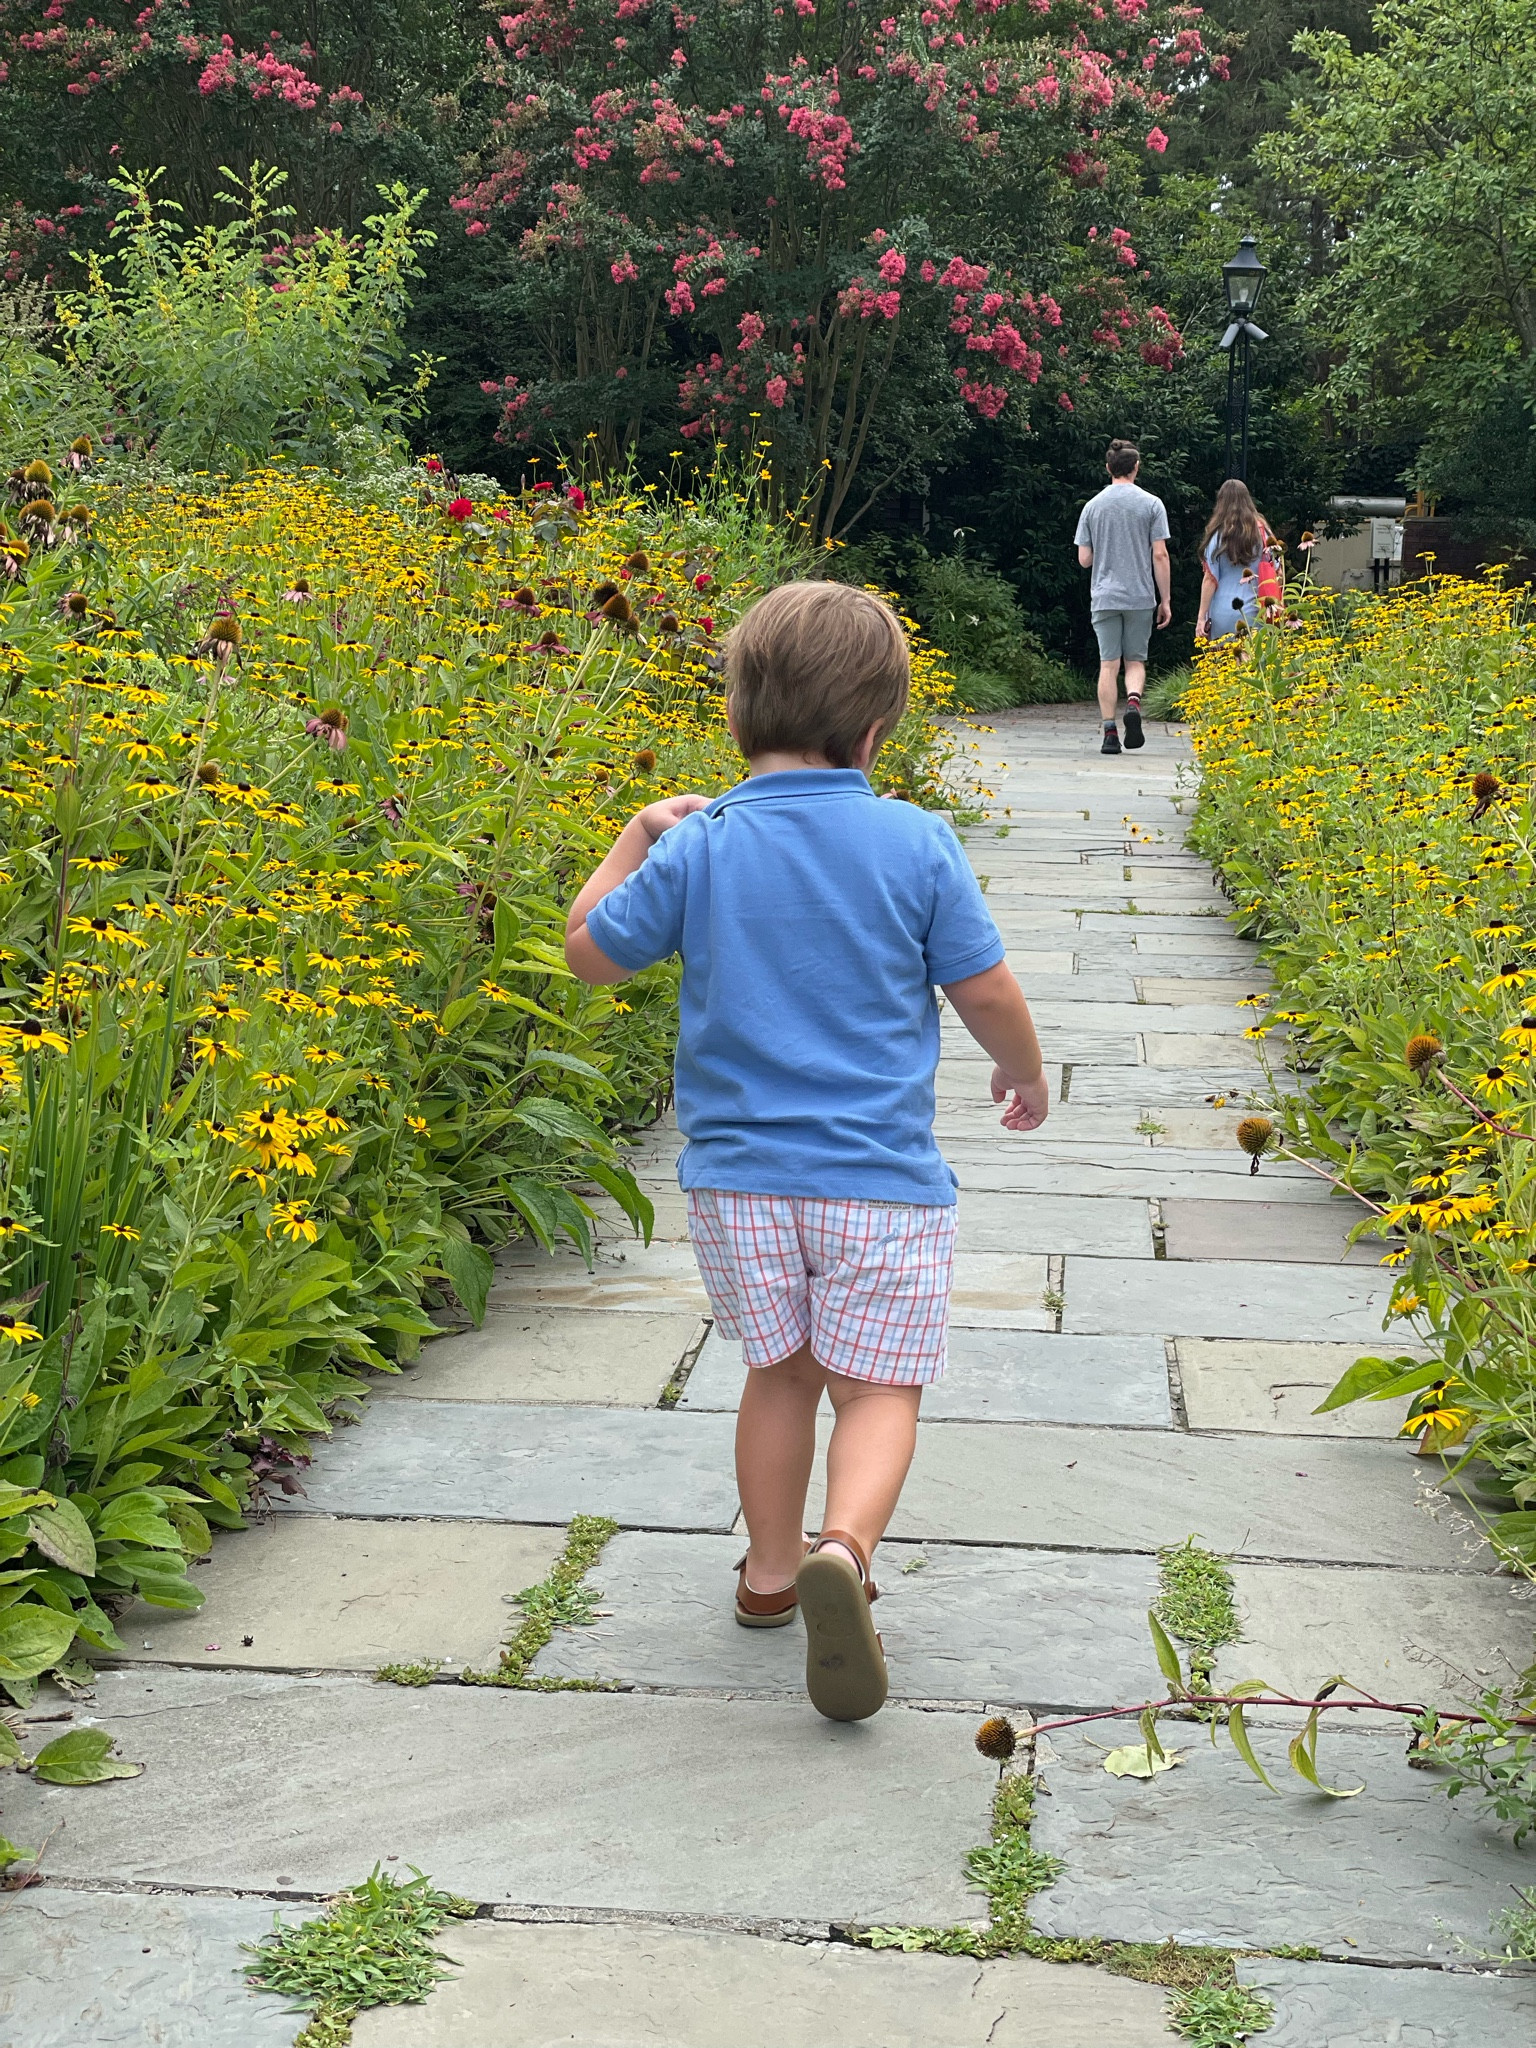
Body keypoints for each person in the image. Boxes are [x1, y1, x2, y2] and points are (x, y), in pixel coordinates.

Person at [564, 581, 1049, 1724]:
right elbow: (982, 985)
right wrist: (1024, 1069)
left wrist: (638, 832)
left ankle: (771, 1575)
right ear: (877, 728)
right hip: (880, 1184)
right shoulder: (915, 840)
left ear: (738, 714)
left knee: (778, 1372)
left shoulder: (707, 845)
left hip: (737, 1182)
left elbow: (586, 951)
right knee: (879, 1385)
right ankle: (849, 1546)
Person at [1073, 439, 1172, 755]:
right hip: (1140, 596)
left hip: (1104, 596)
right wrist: (1165, 599)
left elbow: (1084, 559)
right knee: (1135, 661)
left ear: (1108, 468)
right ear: (1136, 467)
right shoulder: (1152, 504)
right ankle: (1133, 701)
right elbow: (1160, 554)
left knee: (1108, 664)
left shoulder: (1092, 506)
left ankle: (1109, 733)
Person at [1196, 478, 1276, 642]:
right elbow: (1277, 570)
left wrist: (1201, 617)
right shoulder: (1263, 533)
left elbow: (1210, 579)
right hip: (1256, 612)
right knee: (1254, 665)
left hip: (1222, 612)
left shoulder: (1217, 536)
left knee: (1224, 664)